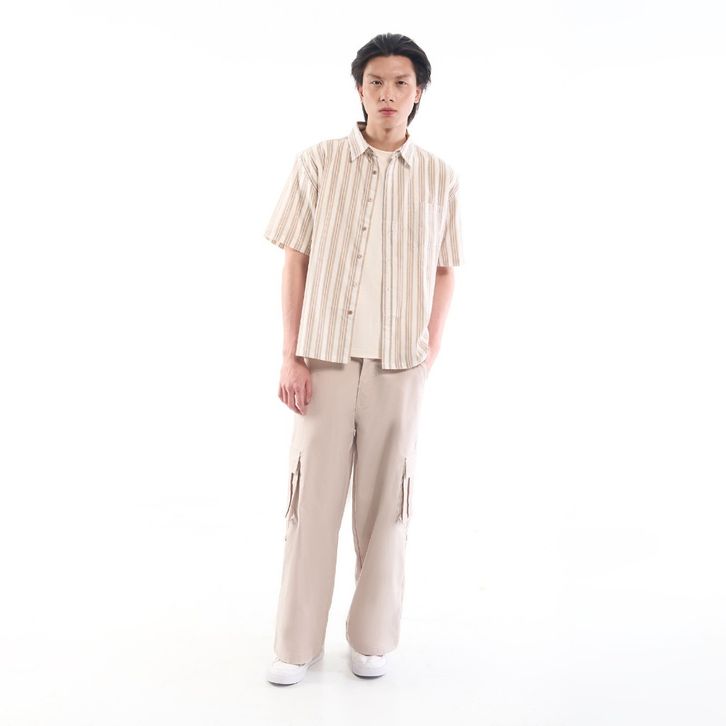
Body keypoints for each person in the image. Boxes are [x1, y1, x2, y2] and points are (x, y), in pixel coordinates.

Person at [263, 32, 463, 685]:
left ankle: (372, 639)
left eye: (401, 82)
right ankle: (297, 644)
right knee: (310, 506)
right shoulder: (319, 163)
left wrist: (429, 351)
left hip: (399, 367)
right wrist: (291, 356)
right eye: (376, 81)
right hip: (322, 362)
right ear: (359, 89)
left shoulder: (439, 176)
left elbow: (445, 269)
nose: (388, 93)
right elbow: (294, 260)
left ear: (419, 92)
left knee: (388, 507)